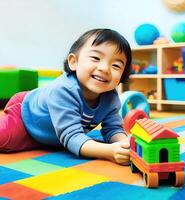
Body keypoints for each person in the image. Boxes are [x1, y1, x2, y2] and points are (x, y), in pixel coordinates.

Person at [0, 28, 132, 165]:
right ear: (73, 62)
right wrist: (110, 152)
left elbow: (113, 128)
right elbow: (72, 136)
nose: (105, 68)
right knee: (4, 138)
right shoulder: (64, 90)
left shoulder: (110, 97)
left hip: (51, 135)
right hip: (25, 116)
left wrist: (125, 144)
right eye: (95, 58)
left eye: (116, 65)